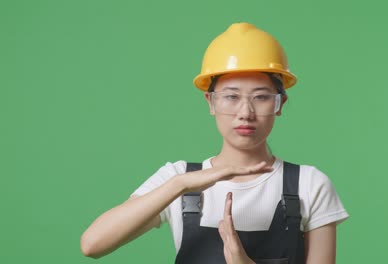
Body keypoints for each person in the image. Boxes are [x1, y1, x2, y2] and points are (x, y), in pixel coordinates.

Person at [81, 22, 349, 264]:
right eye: (231, 97)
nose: (245, 112)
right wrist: (181, 184)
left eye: (261, 97)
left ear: (280, 104)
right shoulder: (178, 178)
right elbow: (93, 245)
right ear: (211, 102)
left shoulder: (310, 185)